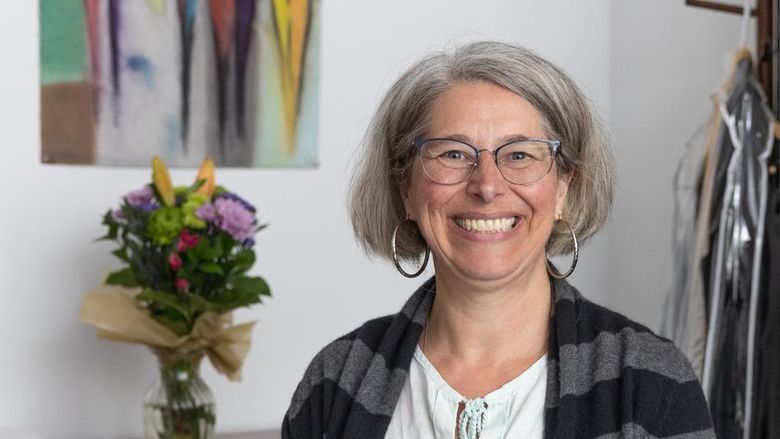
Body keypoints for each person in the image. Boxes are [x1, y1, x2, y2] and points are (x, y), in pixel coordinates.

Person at [282, 41, 714, 438]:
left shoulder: (649, 379)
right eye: (453, 153)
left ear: (563, 189)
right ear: (405, 191)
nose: (487, 186)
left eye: (520, 155)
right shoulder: (335, 381)